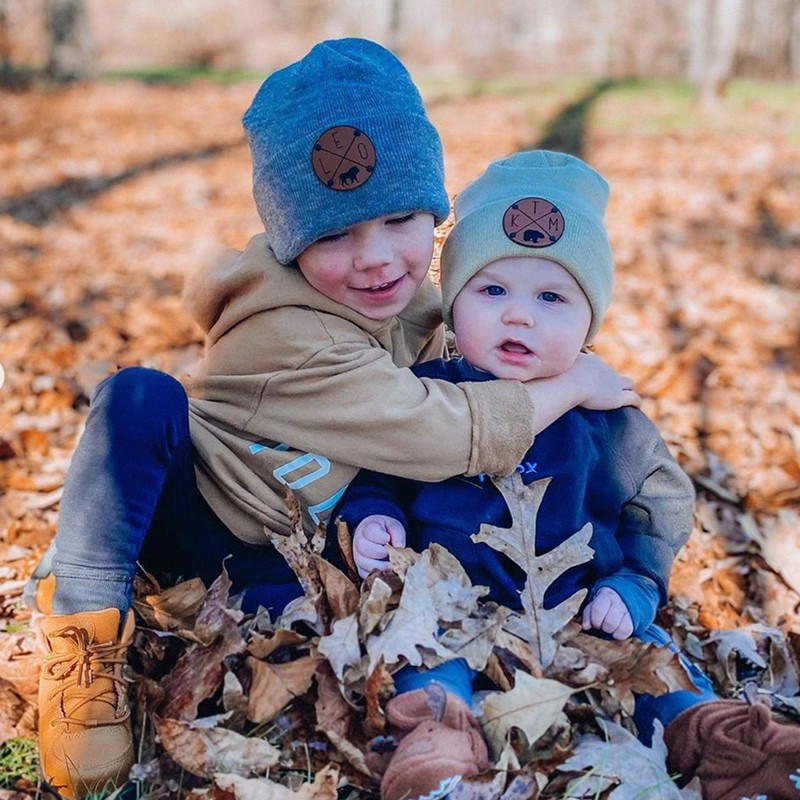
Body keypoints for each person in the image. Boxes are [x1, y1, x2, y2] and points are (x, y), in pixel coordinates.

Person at [27, 42, 640, 800]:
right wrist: (575, 377)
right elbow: (445, 433)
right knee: (138, 398)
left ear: (435, 214)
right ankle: (81, 629)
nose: (375, 259)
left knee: (345, 648)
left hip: (298, 555)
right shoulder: (283, 331)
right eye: (333, 234)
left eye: (399, 219)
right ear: (290, 242)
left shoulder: (416, 308)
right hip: (210, 516)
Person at [334, 150, 800, 800]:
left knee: (652, 661)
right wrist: (373, 514)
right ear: (452, 300)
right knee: (421, 656)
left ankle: (721, 742)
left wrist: (636, 581)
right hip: (450, 605)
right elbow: (382, 463)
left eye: (551, 297)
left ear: (589, 318)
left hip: (580, 606)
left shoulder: (603, 413)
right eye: (491, 290)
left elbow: (661, 496)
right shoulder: (430, 391)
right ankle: (437, 752)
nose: (518, 315)